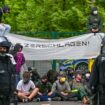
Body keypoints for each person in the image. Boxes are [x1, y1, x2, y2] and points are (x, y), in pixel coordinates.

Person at [0, 37, 16, 105]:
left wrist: (14, 90)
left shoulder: (9, 60)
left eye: (4, 48)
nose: (2, 50)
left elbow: (13, 76)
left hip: (9, 93)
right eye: (1, 48)